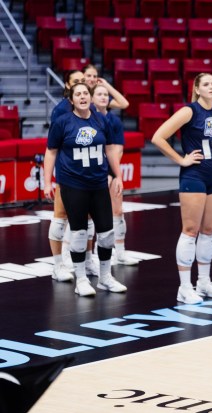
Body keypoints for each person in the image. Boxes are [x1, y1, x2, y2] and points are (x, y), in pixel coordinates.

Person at [151, 73, 212, 305]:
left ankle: (203, 281)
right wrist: (181, 160)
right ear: (197, 89)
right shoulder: (188, 111)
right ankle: (184, 287)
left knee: (209, 230)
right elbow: (158, 137)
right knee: (190, 230)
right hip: (194, 175)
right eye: (207, 84)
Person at [43, 82, 127, 296]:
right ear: (71, 100)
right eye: (77, 94)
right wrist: (47, 181)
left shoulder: (101, 119)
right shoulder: (62, 122)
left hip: (98, 184)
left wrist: (117, 175)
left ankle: (105, 277)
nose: (82, 97)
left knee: (107, 233)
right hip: (73, 185)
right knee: (79, 233)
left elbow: (109, 149)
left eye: (85, 94)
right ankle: (81, 279)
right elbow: (51, 152)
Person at [48, 70, 99, 281]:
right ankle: (58, 265)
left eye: (83, 80)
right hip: (68, 172)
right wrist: (50, 178)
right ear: (68, 87)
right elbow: (53, 147)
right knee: (60, 218)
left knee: (88, 221)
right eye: (76, 81)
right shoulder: (60, 111)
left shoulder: (92, 109)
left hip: (89, 173)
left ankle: (87, 260)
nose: (82, 83)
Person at [91, 84, 139, 266]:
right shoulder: (86, 118)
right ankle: (95, 250)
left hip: (110, 168)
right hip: (93, 170)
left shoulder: (115, 122)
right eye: (99, 94)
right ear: (92, 98)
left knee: (118, 211)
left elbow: (117, 151)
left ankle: (120, 252)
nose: (104, 97)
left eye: (106, 95)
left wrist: (113, 174)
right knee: (93, 213)